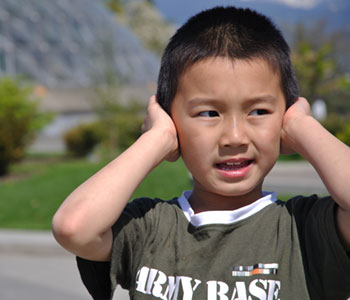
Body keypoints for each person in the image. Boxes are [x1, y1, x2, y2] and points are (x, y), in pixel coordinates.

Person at [52, 6, 350, 300]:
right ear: (171, 119)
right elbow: (74, 227)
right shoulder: (149, 227)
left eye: (259, 111)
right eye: (208, 113)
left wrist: (302, 126)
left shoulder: (305, 231)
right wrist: (157, 138)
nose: (234, 137)